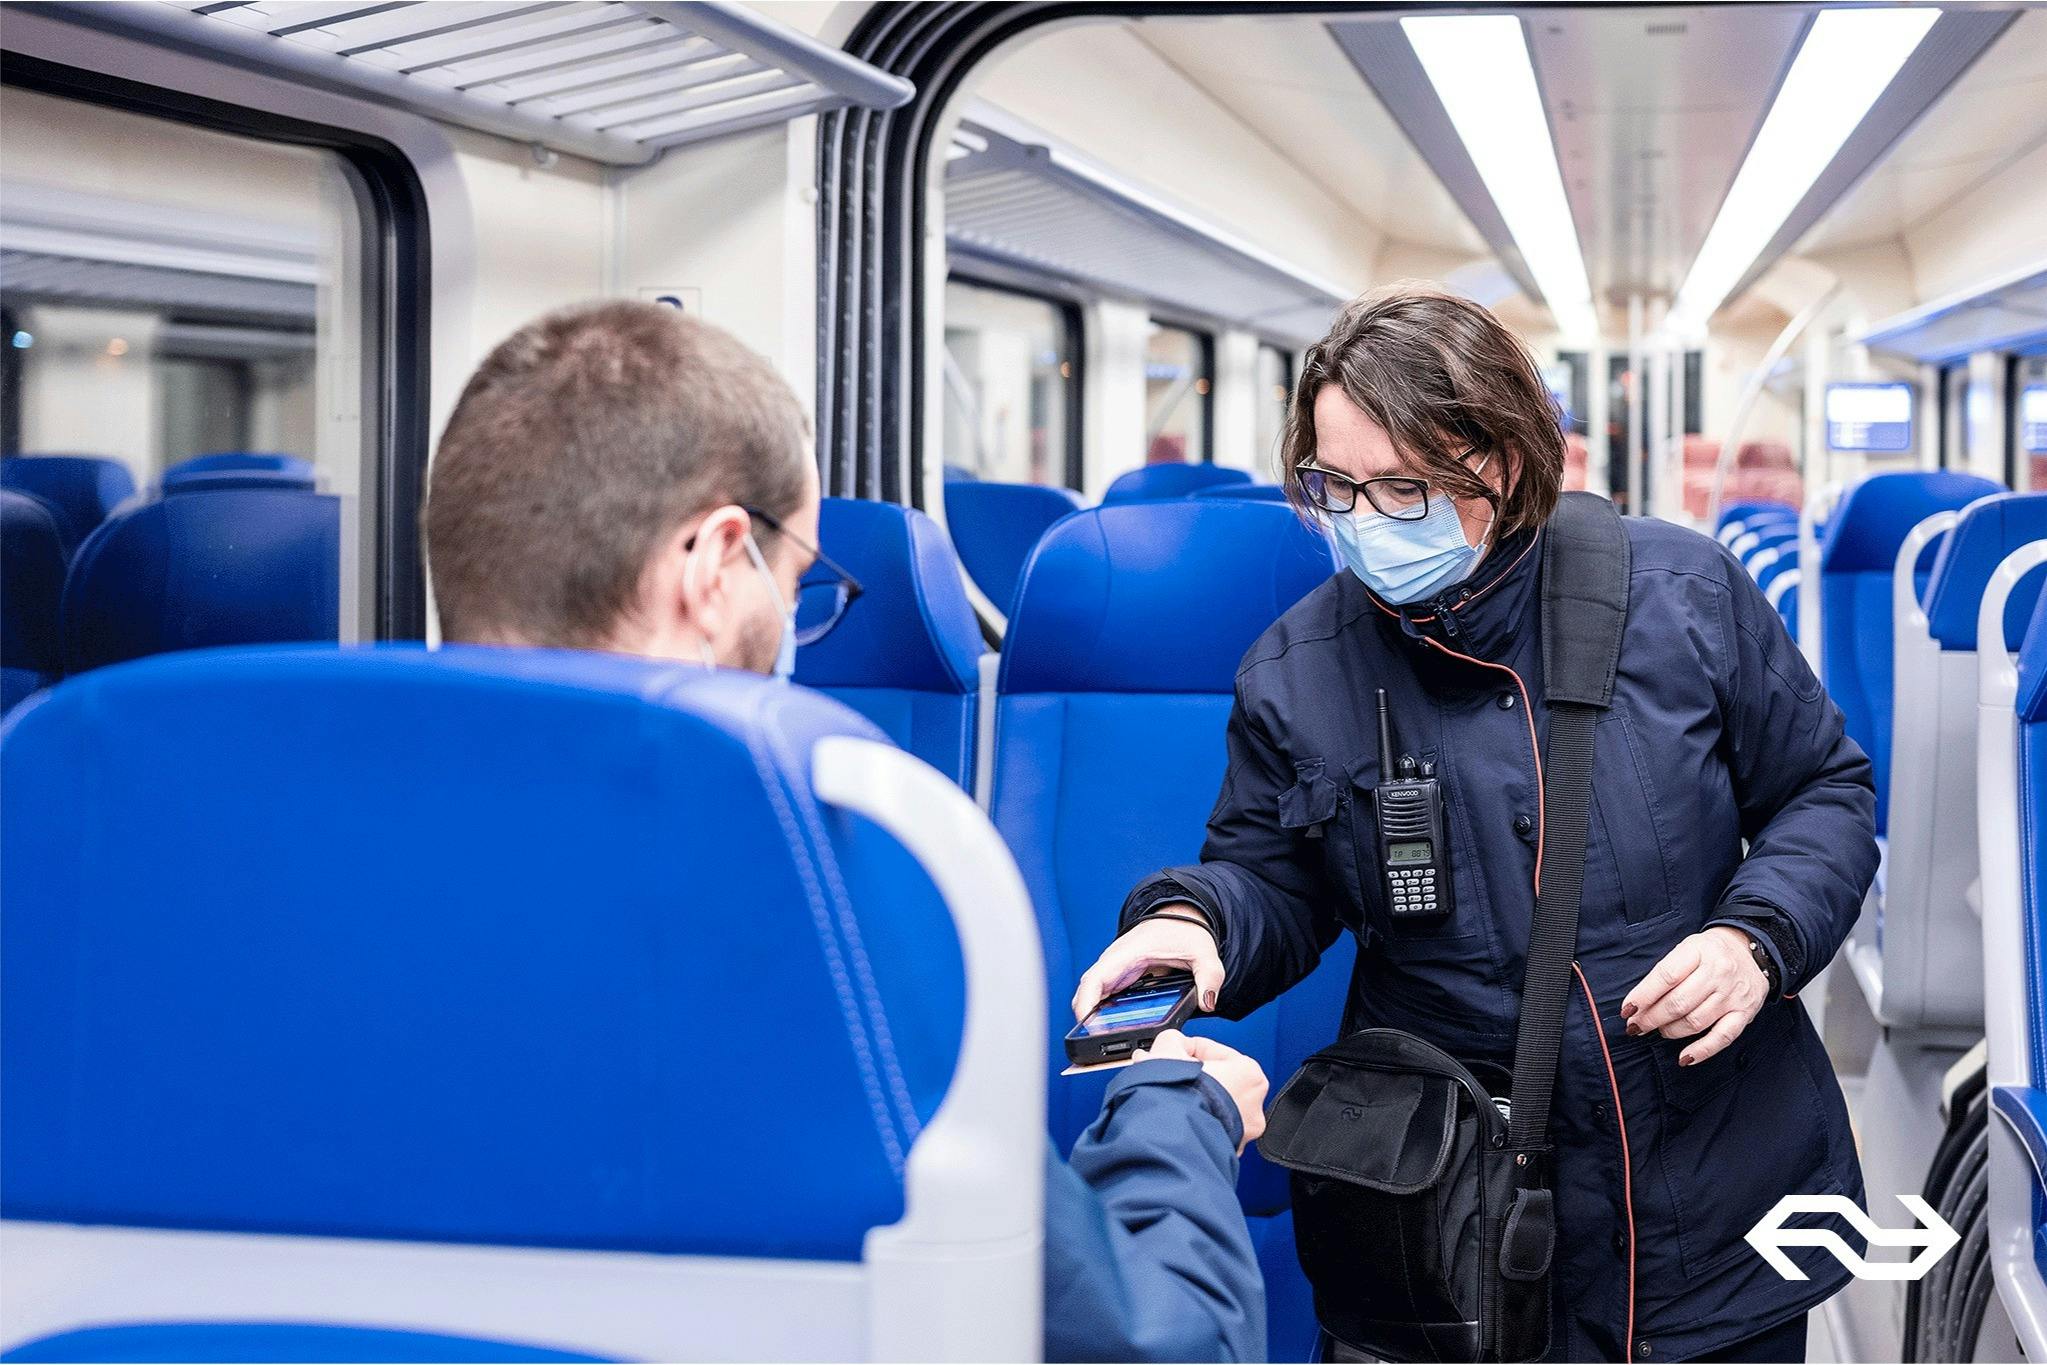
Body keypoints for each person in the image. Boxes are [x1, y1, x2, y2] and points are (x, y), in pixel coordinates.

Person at [424, 300, 1270, 1362]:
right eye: (796, 582)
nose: (794, 624)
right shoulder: (800, 904)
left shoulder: (238, 878)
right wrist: (1178, 1111)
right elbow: (1153, 1346)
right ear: (717, 564)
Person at [1075, 285, 1879, 1363]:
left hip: (1705, 1184)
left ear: (1496, 463)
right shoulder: (1296, 671)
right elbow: (1274, 879)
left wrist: (1755, 940)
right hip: (1446, 1205)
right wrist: (1194, 923)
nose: (1363, 521)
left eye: (1402, 489)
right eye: (1333, 486)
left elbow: (1823, 793)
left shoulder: (1681, 593)